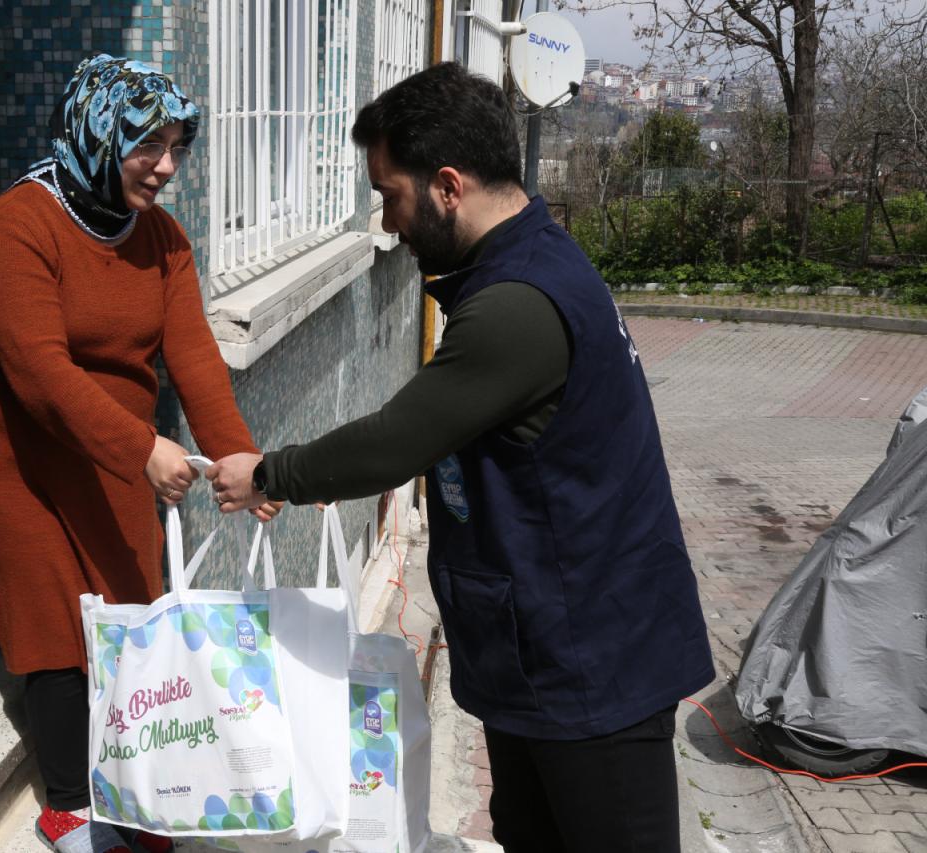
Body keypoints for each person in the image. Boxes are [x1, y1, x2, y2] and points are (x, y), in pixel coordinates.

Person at [207, 62, 715, 853]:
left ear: (448, 185)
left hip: (592, 665)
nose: (387, 222)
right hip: (548, 651)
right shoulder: (526, 262)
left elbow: (394, 441)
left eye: (391, 196)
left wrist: (268, 472)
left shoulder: (517, 306)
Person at [0, 54, 277, 853]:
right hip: (20, 458)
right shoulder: (13, 227)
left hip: (116, 453)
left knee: (136, 613)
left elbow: (195, 358)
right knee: (57, 623)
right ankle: (67, 804)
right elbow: (39, 373)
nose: (167, 167)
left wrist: (245, 461)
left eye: (176, 148)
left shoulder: (161, 239)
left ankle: (138, 786)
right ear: (97, 133)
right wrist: (143, 448)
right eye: (147, 146)